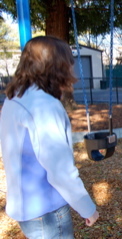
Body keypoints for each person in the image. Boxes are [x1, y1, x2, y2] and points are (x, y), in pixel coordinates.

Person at [0, 36, 99, 238]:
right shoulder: (43, 106)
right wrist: (87, 208)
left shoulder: (16, 97)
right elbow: (60, 170)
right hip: (46, 211)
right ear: (58, 67)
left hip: (25, 206)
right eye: (69, 63)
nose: (72, 69)